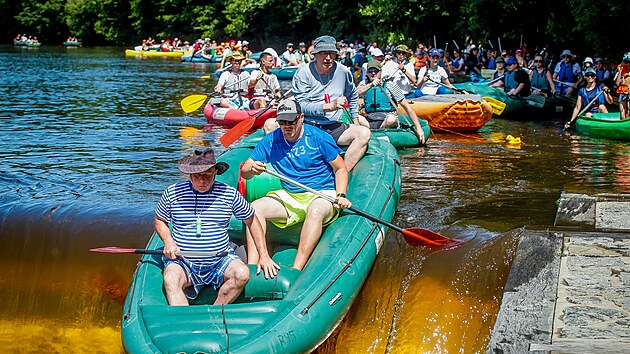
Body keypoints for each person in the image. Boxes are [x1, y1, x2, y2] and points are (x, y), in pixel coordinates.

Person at [155, 149, 279, 306]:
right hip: (183, 261)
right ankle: (183, 322)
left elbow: (252, 220)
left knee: (241, 274)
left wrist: (264, 255)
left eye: (207, 175)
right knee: (170, 278)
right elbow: (160, 220)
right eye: (197, 176)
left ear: (215, 173)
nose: (202, 181)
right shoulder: (172, 193)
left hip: (220, 259)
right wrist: (168, 241)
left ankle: (215, 312)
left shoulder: (229, 194)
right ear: (189, 175)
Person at [240, 100, 352, 271]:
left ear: (301, 118)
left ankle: (296, 269)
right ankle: (253, 266)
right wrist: (252, 169)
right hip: (291, 194)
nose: (287, 126)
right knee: (254, 208)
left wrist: (341, 195)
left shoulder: (319, 138)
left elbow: (341, 169)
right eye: (282, 122)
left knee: (315, 211)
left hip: (321, 192)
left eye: (291, 121)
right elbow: (246, 171)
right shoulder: (271, 140)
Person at [289, 35, 371, 172]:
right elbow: (300, 105)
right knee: (271, 125)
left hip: (333, 126)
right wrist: (328, 106)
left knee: (363, 133)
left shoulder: (343, 71)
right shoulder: (303, 73)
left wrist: (355, 118)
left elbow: (353, 94)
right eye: (323, 53)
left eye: (331, 54)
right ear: (315, 55)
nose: (328, 58)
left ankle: (343, 173)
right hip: (307, 126)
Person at [356, 60, 426, 143]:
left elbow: (407, 107)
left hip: (386, 120)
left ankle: (377, 136)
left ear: (380, 72)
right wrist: (371, 85)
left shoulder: (390, 85)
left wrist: (418, 128)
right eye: (370, 71)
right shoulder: (364, 84)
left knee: (391, 119)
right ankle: (367, 135)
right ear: (367, 73)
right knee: (357, 117)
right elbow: (357, 92)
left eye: (376, 71)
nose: (373, 73)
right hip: (370, 120)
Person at [615, 52, 630, 119]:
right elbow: (617, 83)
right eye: (626, 62)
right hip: (623, 92)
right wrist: (620, 71)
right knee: (622, 112)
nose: (628, 64)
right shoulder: (620, 70)